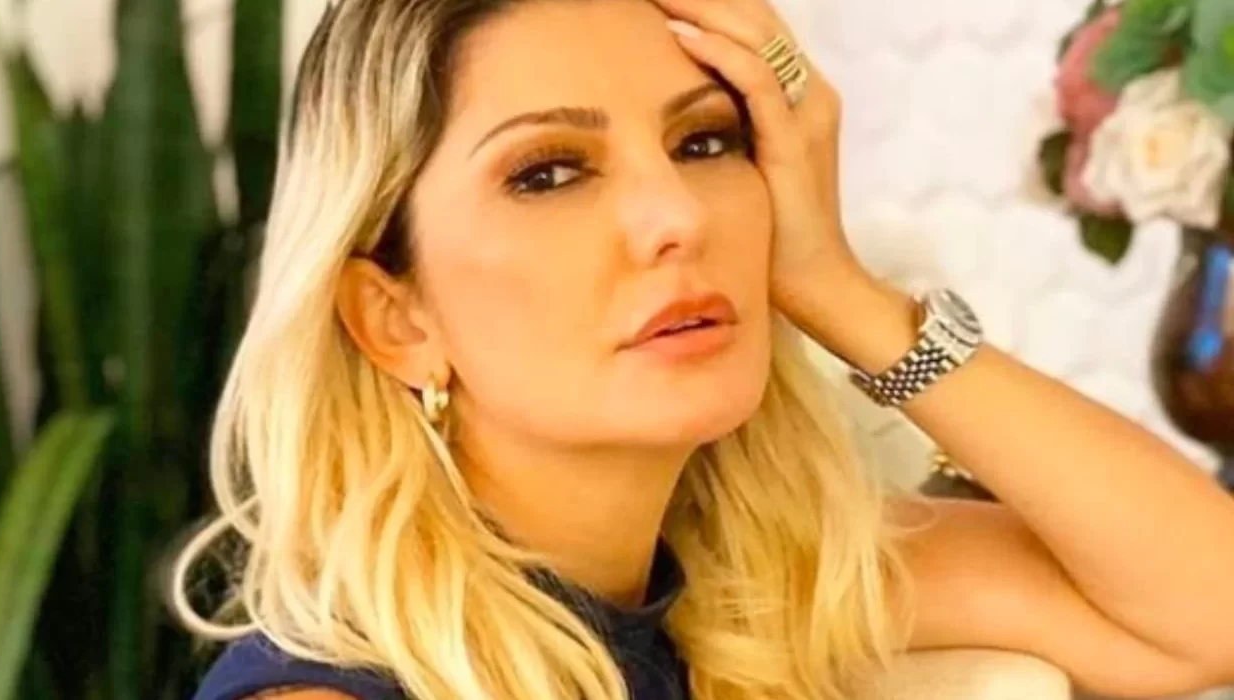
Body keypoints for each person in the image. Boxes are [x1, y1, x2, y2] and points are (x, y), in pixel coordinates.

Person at [174, 0, 1234, 698]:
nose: (675, 214)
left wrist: (836, 290)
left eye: (704, 141)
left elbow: (1209, 605)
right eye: (548, 172)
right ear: (395, 318)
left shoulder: (747, 583)